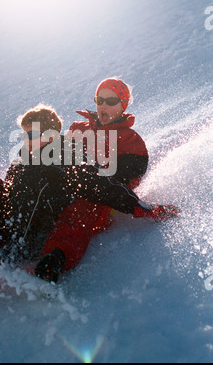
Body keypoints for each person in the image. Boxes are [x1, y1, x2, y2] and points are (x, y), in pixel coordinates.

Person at [0, 103, 179, 293]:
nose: (26, 140)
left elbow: (98, 185)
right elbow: (5, 199)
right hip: (9, 231)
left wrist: (141, 208)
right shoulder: (22, 162)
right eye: (24, 135)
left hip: (31, 238)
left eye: (31, 135)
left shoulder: (67, 157)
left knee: (37, 173)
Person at [39, 78, 163, 276]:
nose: (103, 105)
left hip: (98, 199)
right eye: (100, 100)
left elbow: (121, 182)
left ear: (123, 105)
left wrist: (87, 170)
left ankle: (56, 258)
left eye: (111, 101)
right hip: (61, 189)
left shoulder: (131, 141)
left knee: (84, 202)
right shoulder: (78, 128)